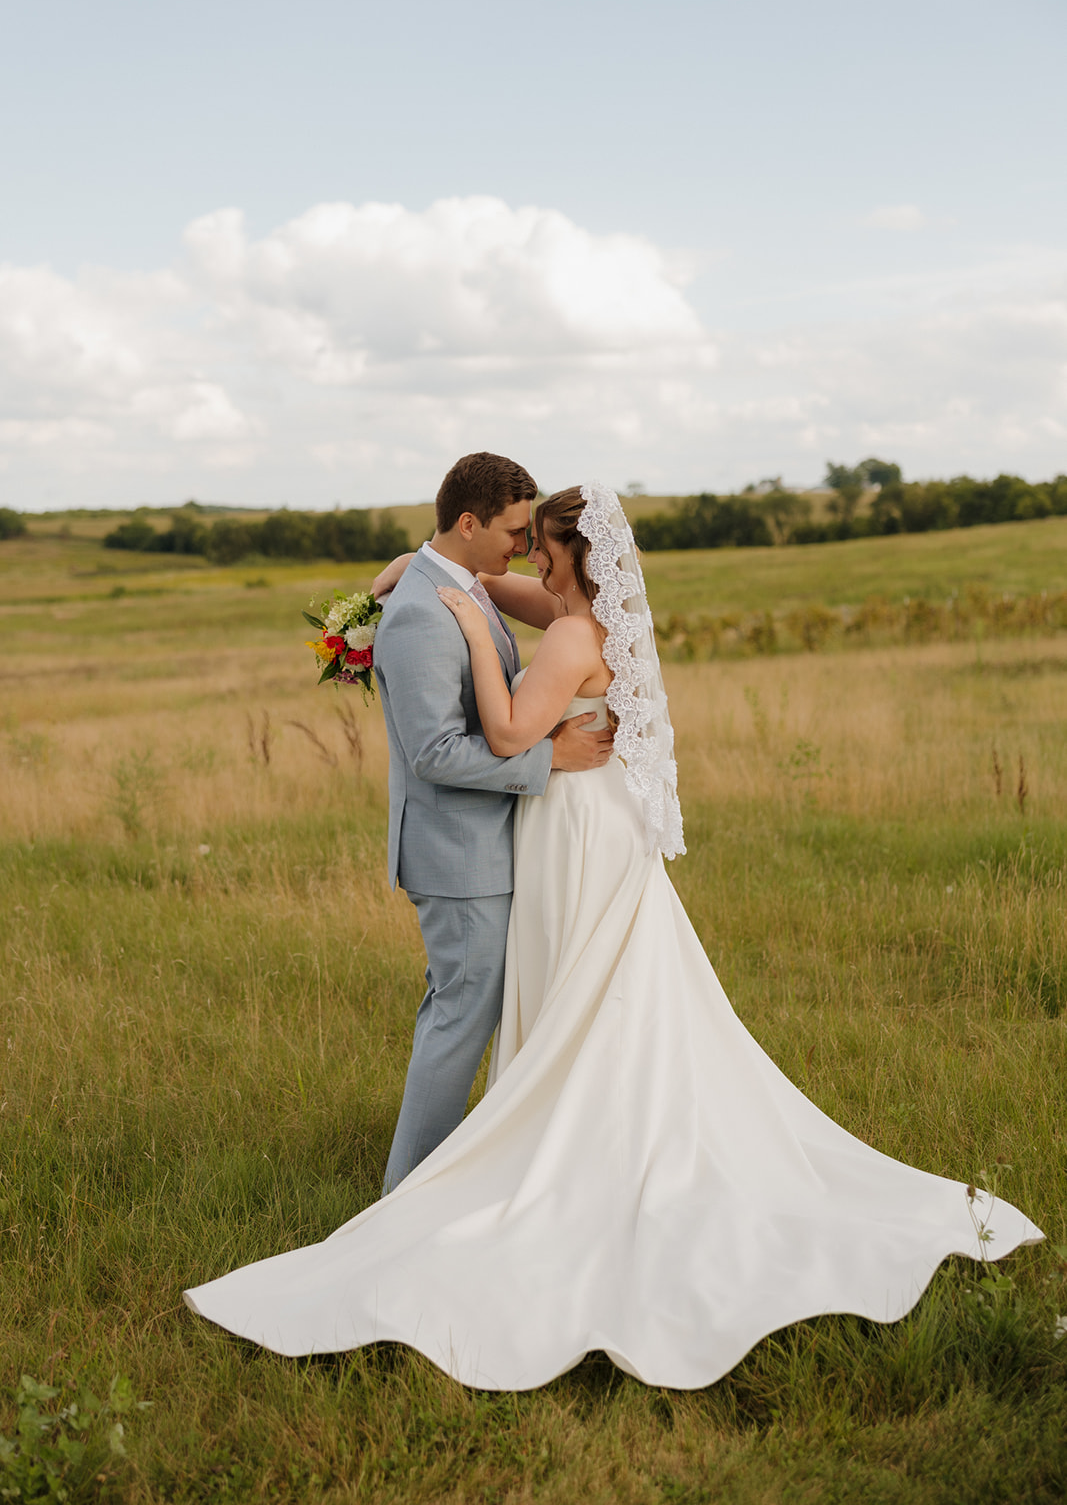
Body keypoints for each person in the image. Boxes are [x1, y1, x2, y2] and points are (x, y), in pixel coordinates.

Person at [183, 482, 1042, 1389]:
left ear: (573, 554)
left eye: (539, 545)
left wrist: (477, 644)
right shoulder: (589, 618)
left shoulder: (566, 635)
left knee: (575, 987)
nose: (526, 559)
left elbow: (514, 726)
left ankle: (559, 1145)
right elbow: (488, 586)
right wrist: (408, 572)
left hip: (574, 825)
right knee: (598, 988)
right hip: (600, 824)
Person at [365, 452, 613, 1193]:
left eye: (533, 536)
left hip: (487, 845)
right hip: (456, 853)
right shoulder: (417, 615)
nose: (520, 546)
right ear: (468, 523)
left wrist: (418, 555)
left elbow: (494, 587)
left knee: (459, 1010)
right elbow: (434, 752)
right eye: (511, 530)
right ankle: (405, 1193)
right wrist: (550, 761)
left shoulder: (461, 583)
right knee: (461, 1018)